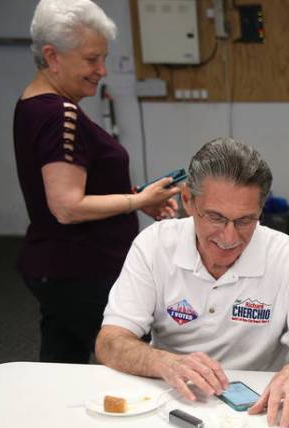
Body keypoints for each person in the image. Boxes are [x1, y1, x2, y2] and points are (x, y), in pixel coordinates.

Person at [95, 137, 289, 428]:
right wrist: (162, 361)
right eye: (215, 217)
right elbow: (109, 342)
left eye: (245, 221)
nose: (229, 238)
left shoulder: (287, 256)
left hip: (257, 409)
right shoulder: (154, 245)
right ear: (187, 200)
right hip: (169, 400)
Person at [15, 0, 180, 364]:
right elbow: (67, 206)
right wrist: (138, 202)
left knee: (61, 367)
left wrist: (137, 198)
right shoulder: (61, 114)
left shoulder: (33, 104)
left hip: (56, 267)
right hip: (81, 270)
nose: (101, 70)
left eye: (103, 58)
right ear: (52, 56)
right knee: (134, 361)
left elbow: (71, 193)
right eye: (91, 59)